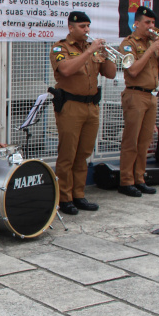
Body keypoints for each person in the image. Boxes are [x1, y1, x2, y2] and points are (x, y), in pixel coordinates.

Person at [49, 11, 117, 215]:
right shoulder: (60, 47)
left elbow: (111, 74)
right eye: (82, 26)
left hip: (91, 106)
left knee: (84, 153)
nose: (87, 30)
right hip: (71, 105)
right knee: (68, 153)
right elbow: (66, 70)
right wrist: (89, 53)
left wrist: (106, 55)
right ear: (71, 27)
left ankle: (79, 195)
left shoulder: (92, 48)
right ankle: (64, 197)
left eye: (88, 26)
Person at [116, 7, 159, 197]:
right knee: (131, 140)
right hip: (135, 95)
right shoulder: (128, 44)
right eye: (147, 23)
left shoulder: (152, 43)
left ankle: (140, 178)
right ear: (136, 24)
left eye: (153, 23)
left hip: (151, 95)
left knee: (145, 141)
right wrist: (150, 50)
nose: (151, 27)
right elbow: (133, 71)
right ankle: (126, 181)